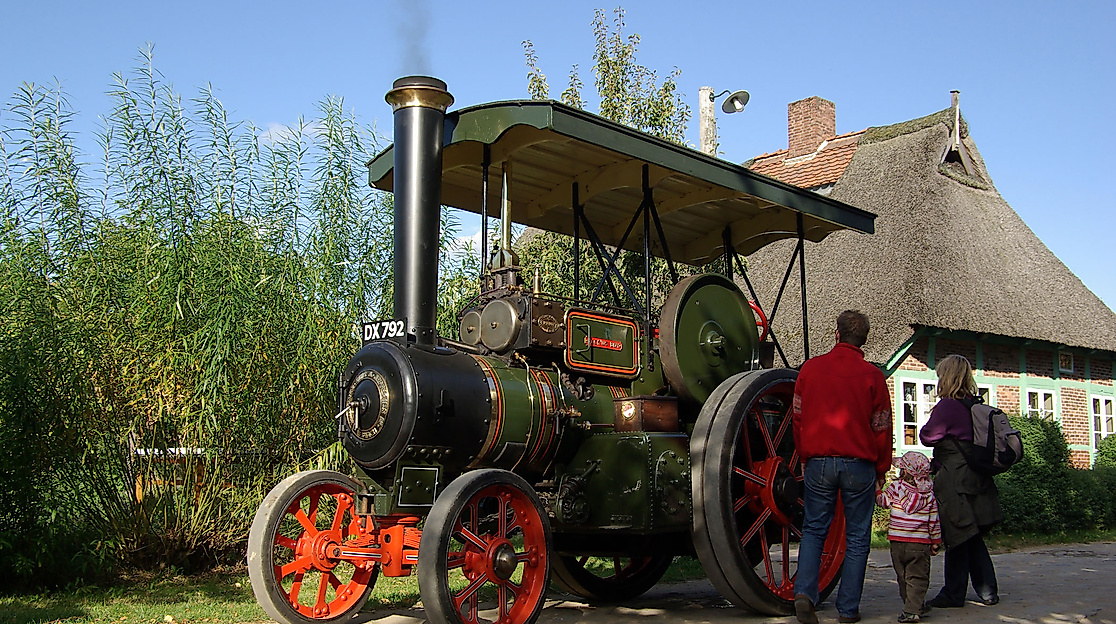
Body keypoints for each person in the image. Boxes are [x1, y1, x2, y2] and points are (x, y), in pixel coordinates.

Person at [793, 310, 894, 624]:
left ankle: (805, 593)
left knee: (813, 529)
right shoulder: (873, 376)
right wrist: (882, 468)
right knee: (859, 536)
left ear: (836, 334)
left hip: (819, 460)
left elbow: (798, 418)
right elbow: (881, 427)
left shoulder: (810, 370)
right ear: (863, 340)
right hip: (859, 464)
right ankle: (848, 610)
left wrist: (804, 455)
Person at [919, 354, 1001, 608]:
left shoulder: (947, 406)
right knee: (971, 533)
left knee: (957, 533)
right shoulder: (971, 404)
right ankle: (987, 591)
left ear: (948, 376)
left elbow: (928, 437)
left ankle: (953, 593)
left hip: (955, 477)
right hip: (975, 475)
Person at [877, 451, 942, 622]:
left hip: (897, 542)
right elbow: (933, 520)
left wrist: (876, 490)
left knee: (903, 576)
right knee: (918, 577)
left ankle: (912, 605)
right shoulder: (928, 495)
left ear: (904, 472)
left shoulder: (895, 487)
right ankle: (913, 608)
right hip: (919, 544)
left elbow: (882, 502)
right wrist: (935, 541)